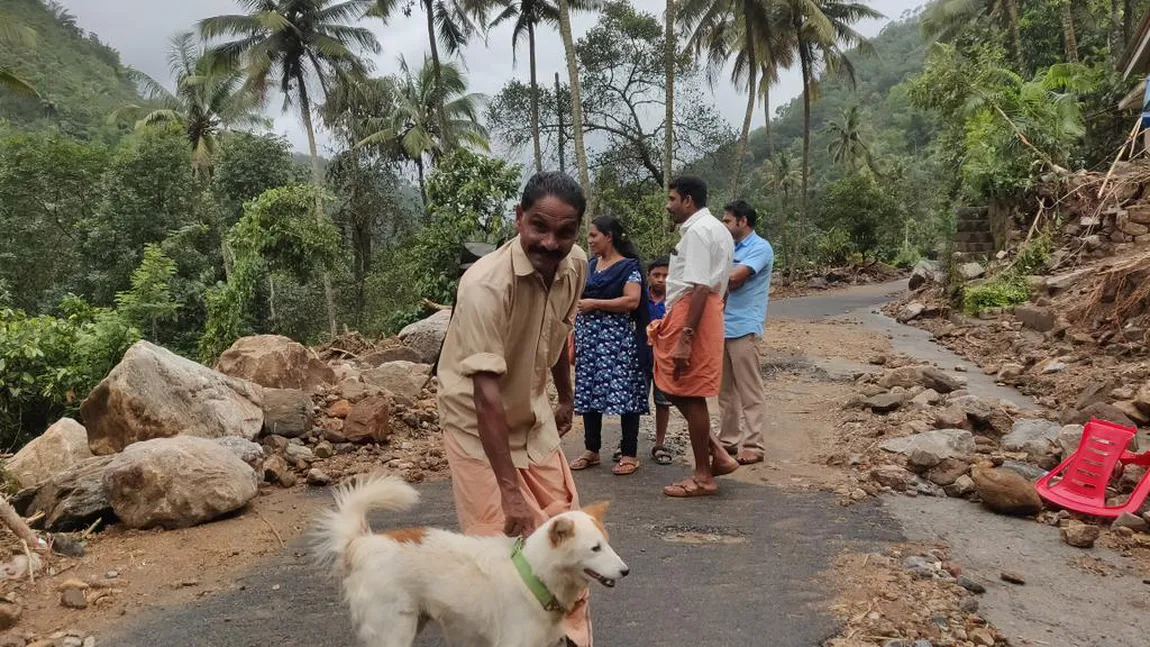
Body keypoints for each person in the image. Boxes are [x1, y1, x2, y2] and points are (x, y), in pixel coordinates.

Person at [436, 171, 593, 646]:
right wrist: (508, 492)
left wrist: (564, 397)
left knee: (567, 533)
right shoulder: (485, 285)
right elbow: (486, 396)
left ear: (577, 232)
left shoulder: (577, 264)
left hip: (533, 412)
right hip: (475, 424)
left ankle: (567, 638)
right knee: (501, 546)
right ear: (518, 218)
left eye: (565, 232)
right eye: (539, 227)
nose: (551, 242)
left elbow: (560, 335)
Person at [648, 176, 739, 497]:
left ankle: (703, 476)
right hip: (699, 310)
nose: (669, 205)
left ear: (688, 201)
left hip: (694, 311)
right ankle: (717, 452)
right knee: (672, 384)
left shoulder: (700, 232)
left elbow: (700, 285)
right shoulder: (716, 229)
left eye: (672, 199)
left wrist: (686, 335)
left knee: (687, 388)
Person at [569, 216, 650, 476]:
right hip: (589, 341)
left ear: (609, 236)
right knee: (589, 392)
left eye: (594, 235)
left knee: (624, 393)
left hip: (617, 342)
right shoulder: (592, 265)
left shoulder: (629, 267)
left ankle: (629, 453)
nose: (590, 240)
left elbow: (632, 301)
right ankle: (592, 450)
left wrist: (595, 304)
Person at [719, 200, 774, 465]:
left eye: (728, 220)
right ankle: (728, 440)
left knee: (750, 389)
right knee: (725, 391)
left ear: (742, 222)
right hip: (722, 325)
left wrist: (712, 274)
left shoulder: (760, 248)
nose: (724, 224)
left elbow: (735, 277)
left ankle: (753, 445)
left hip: (744, 326)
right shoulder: (728, 247)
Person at [646, 256, 674, 465]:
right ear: (648, 277)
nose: (661, 280)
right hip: (641, 357)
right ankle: (626, 442)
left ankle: (660, 442)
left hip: (665, 359)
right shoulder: (639, 300)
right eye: (656, 275)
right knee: (635, 400)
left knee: (662, 402)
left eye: (666, 275)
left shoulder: (675, 302)